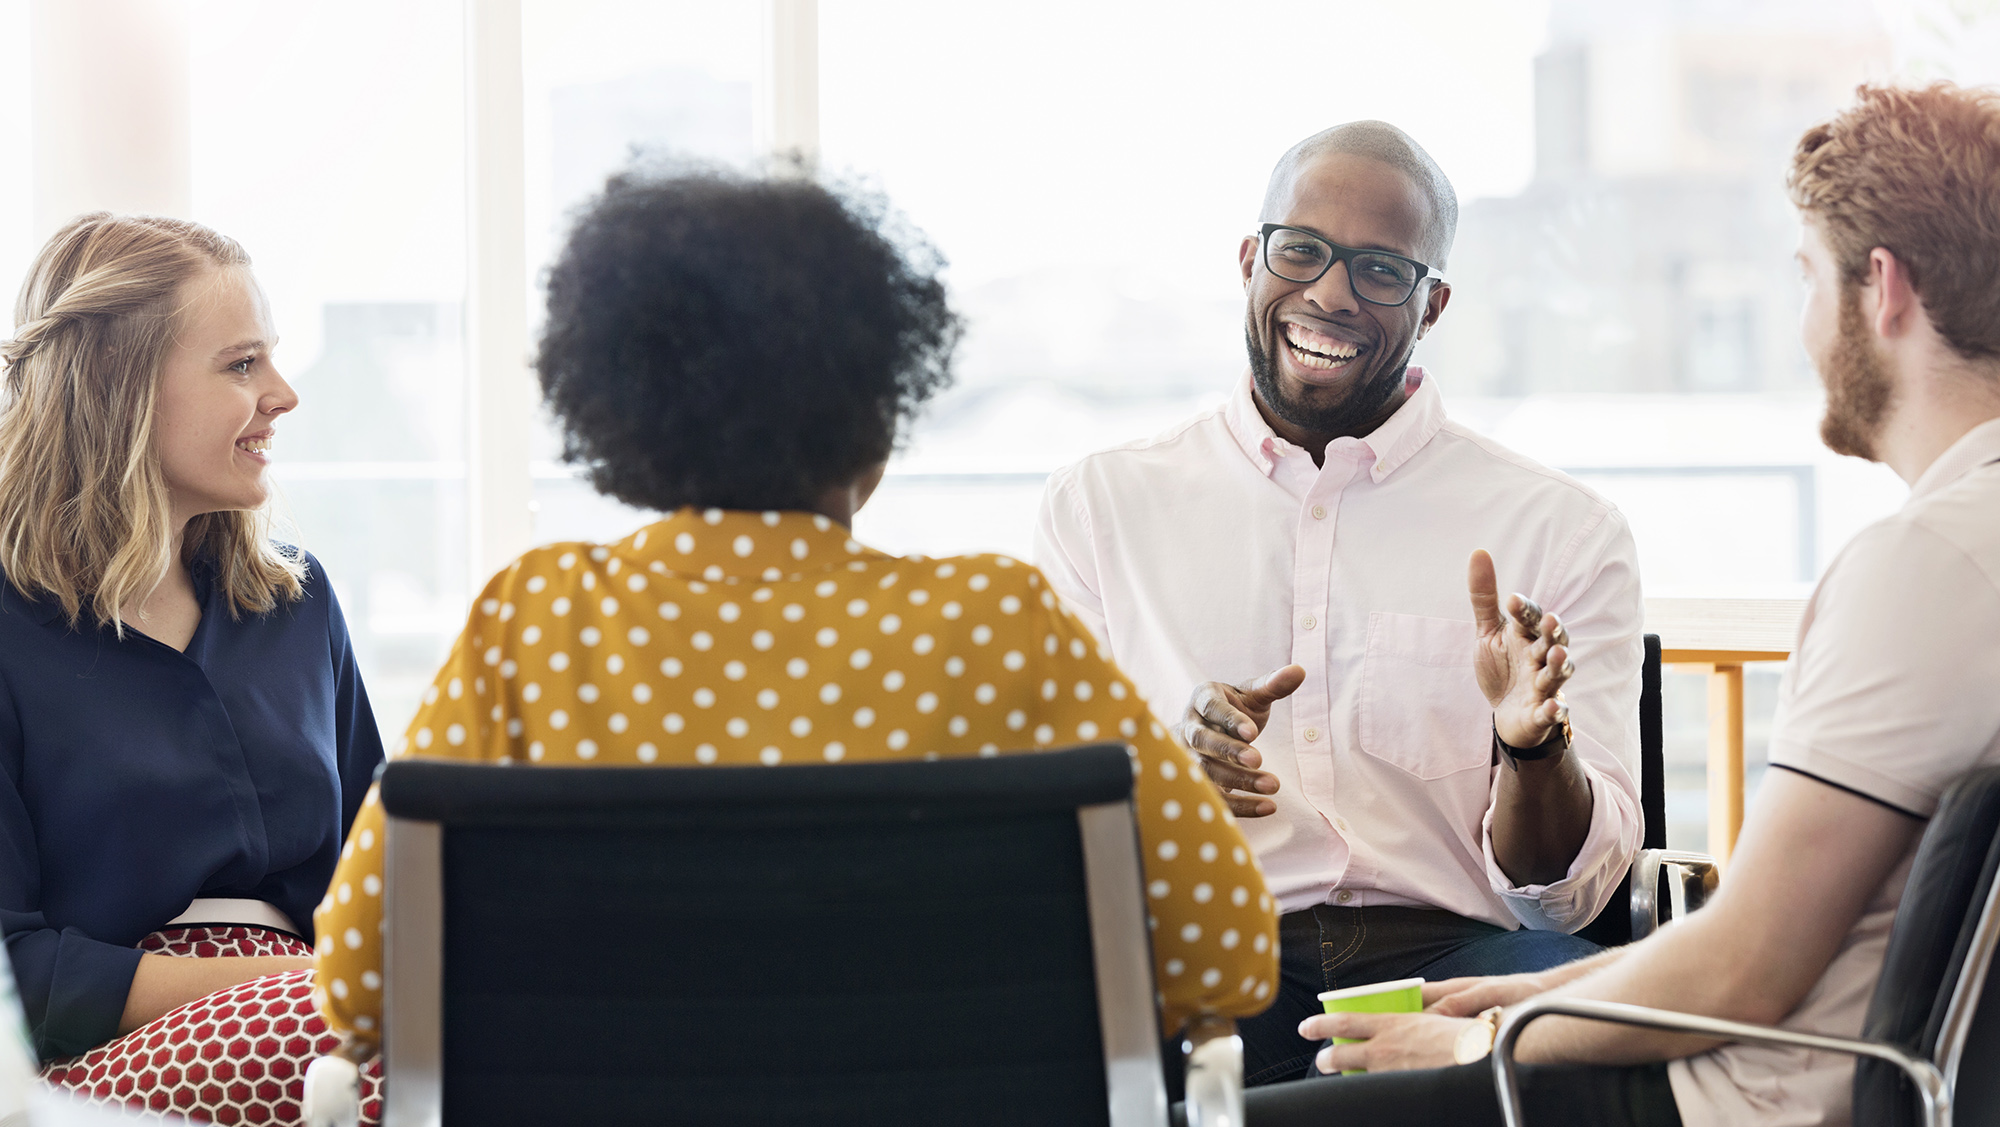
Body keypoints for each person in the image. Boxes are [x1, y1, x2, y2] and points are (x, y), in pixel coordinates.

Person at [311, 167, 1281, 1056]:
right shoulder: (995, 620)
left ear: (626, 409)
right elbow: (1227, 951)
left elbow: (359, 979)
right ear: (875, 409)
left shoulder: (533, 620)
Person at [1244, 80, 2000, 1127]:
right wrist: (1518, 995)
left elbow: (1739, 970)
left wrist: (1484, 1033)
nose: (1801, 327)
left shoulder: (1919, 567)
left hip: (1737, 1096)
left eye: (1801, 279)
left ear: (1881, 289)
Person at [1033, 121, 1642, 1083]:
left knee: (1577, 1036)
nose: (1329, 293)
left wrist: (1533, 746)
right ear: (1250, 259)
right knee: (1049, 1037)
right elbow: (1057, 825)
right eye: (1303, 251)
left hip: (1454, 959)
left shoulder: (1562, 527)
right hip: (1207, 956)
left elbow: (1567, 903)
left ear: (1432, 303)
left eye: (1379, 270)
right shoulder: (1102, 506)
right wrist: (1171, 776)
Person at [0, 214, 386, 1121]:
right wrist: (301, 983)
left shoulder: (294, 598)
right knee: (363, 1044)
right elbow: (15, 968)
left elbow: (377, 873)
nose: (284, 395)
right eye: (242, 364)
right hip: (103, 1058)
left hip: (313, 1017)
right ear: (121, 388)